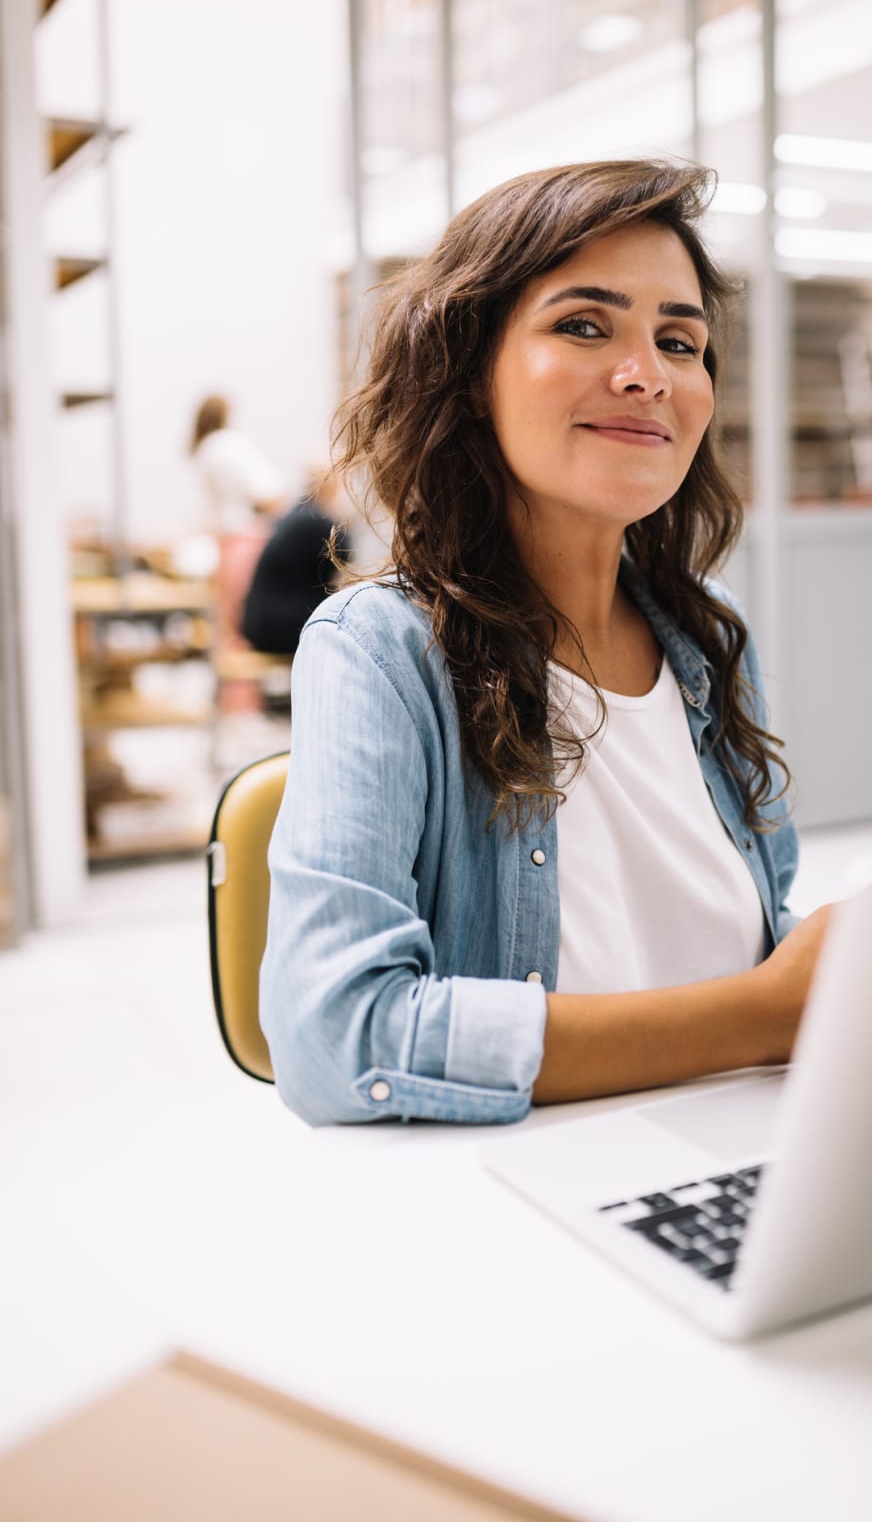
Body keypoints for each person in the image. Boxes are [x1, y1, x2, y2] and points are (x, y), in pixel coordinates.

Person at [260, 159, 836, 1128]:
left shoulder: (706, 630)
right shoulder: (380, 648)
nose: (647, 373)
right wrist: (763, 1017)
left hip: (748, 1147)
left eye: (680, 340)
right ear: (468, 367)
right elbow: (336, 1036)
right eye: (583, 324)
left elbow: (759, 940)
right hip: (531, 1186)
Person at [189, 393, 286, 711]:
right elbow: (271, 492)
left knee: (227, 627)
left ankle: (230, 703)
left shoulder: (203, 450)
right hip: (246, 542)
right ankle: (245, 706)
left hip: (224, 545)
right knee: (246, 624)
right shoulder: (231, 444)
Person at [241, 469, 352, 657]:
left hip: (259, 623)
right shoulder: (317, 521)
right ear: (330, 488)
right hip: (276, 626)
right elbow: (346, 558)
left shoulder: (296, 514)